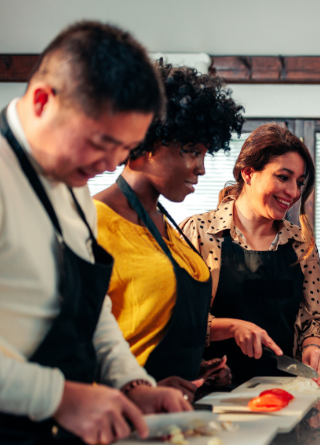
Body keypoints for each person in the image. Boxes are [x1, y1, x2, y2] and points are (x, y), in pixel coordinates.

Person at [0, 21, 191, 444]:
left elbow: (91, 313)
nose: (109, 163)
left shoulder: (75, 187)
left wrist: (133, 385)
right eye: (100, 141)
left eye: (125, 148)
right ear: (42, 100)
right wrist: (59, 398)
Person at [93, 63, 245, 400]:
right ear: (146, 142)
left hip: (171, 414)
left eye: (205, 153)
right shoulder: (93, 223)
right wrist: (139, 389)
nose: (202, 168)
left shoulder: (168, 226)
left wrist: (194, 370)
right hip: (121, 415)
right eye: (191, 151)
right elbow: (79, 340)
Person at [181, 123, 320, 387]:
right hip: (215, 392)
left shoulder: (301, 243)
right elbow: (180, 320)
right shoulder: (199, 233)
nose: (294, 193)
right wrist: (232, 326)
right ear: (249, 173)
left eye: (299, 182)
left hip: (287, 391)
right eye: (283, 177)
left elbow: (316, 318)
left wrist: (314, 347)